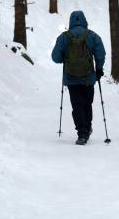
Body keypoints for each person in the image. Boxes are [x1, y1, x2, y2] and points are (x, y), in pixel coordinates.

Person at [51, 11, 106, 145]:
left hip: (71, 78)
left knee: (77, 105)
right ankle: (87, 128)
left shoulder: (64, 37)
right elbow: (100, 53)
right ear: (84, 20)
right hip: (88, 78)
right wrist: (99, 69)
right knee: (87, 104)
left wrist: (66, 57)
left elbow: (55, 58)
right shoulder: (92, 36)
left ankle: (82, 133)